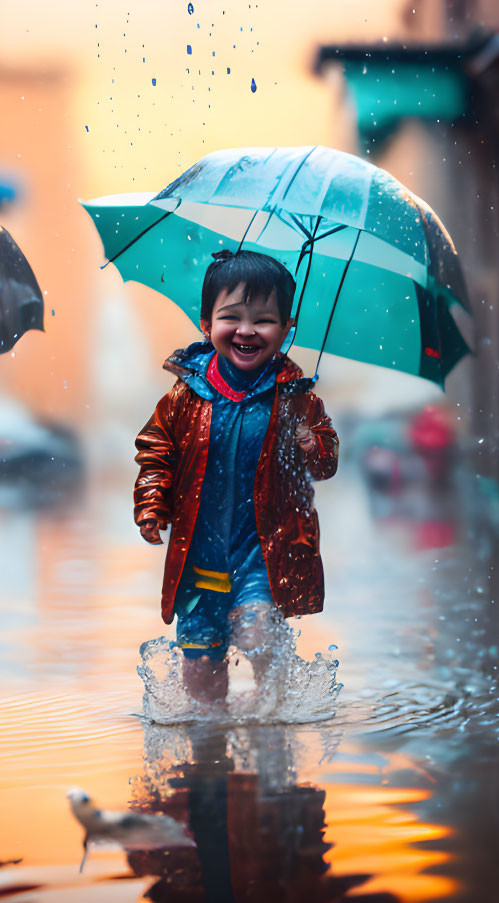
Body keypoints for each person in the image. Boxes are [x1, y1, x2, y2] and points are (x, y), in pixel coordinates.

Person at [134, 249, 339, 703]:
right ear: (206, 324)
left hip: (262, 548)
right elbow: (155, 451)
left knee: (257, 630)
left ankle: (273, 713)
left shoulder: (295, 400)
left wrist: (311, 440)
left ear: (287, 330)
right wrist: (151, 503)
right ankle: (209, 742)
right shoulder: (187, 395)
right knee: (200, 657)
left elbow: (324, 465)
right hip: (199, 552)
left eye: (264, 320)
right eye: (231, 317)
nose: (246, 330)